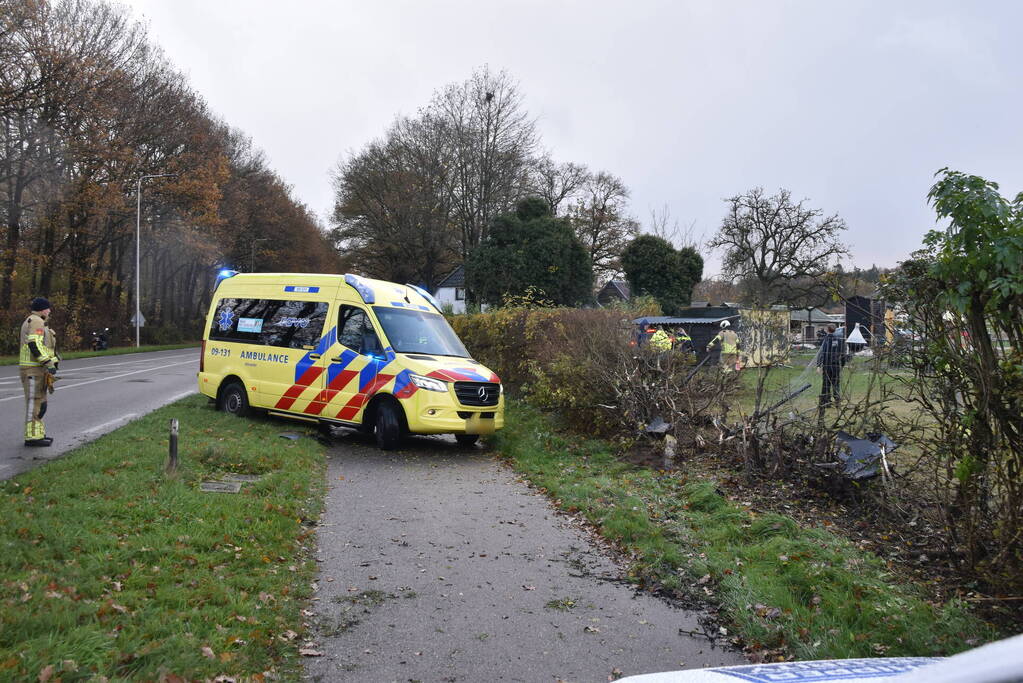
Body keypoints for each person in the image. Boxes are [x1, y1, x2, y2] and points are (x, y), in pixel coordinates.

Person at [19, 297, 58, 447]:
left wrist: (53, 360)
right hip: (33, 370)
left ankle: (38, 434)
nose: (50, 311)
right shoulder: (36, 321)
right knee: (35, 403)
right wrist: (48, 362)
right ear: (42, 309)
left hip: (38, 369)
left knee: (40, 404)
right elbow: (34, 344)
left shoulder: (37, 321)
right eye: (48, 308)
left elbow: (43, 346)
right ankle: (32, 437)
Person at [816, 323, 847, 414]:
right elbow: (843, 354)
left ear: (827, 330)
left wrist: (818, 365)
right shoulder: (840, 340)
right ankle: (837, 402)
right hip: (836, 366)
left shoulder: (824, 340)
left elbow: (821, 353)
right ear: (835, 329)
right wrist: (843, 365)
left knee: (826, 384)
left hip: (826, 365)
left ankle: (826, 402)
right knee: (836, 383)